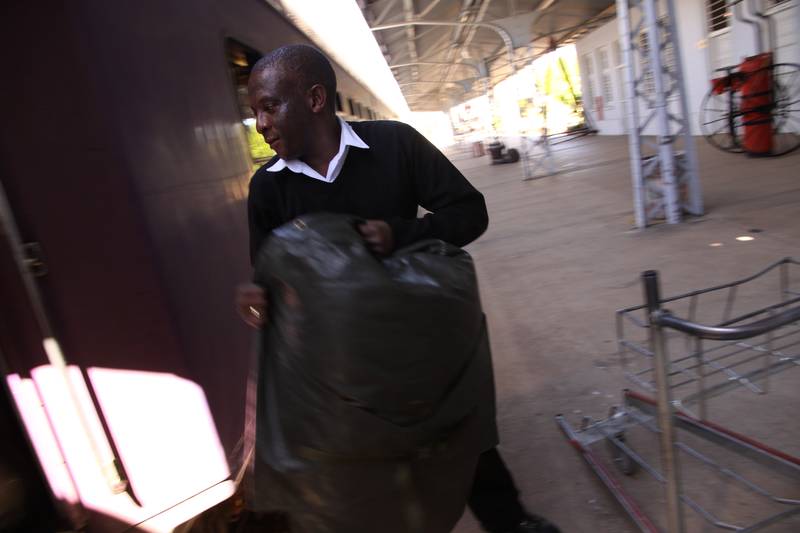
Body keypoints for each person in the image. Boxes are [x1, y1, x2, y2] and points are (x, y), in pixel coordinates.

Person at [236, 44, 559, 533]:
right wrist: (257, 299)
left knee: (463, 441)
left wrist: (402, 234)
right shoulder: (269, 189)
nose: (261, 124)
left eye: (269, 106)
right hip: (340, 375)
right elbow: (267, 273)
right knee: (362, 471)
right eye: (254, 112)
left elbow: (469, 212)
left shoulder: (395, 146)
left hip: (420, 349)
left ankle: (512, 523)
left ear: (316, 98)